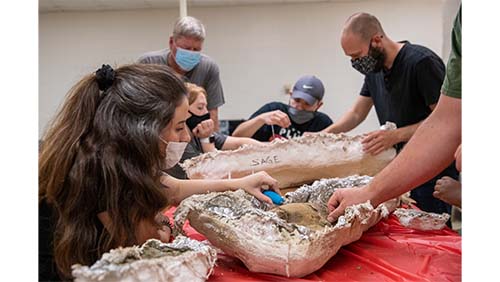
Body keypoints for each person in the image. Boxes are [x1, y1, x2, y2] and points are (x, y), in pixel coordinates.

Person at [39, 64, 278, 280]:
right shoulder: (100, 169)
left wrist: (242, 183)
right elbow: (153, 241)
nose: (186, 137)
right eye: (179, 127)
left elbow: (173, 188)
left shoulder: (116, 153)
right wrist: (160, 226)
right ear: (142, 131)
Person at [327, 6, 461, 222]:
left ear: (377, 40)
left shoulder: (421, 62)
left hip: (431, 172)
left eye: (357, 56)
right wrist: (323, 134)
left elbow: (444, 119)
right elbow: (356, 113)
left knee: (428, 230)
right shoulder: (375, 70)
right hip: (399, 167)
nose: (356, 63)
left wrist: (395, 135)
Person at [138, 16, 224, 131]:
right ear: (171, 42)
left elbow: (212, 116)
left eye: (196, 49)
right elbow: (137, 111)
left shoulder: (208, 68)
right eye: (186, 48)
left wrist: (211, 141)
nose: (191, 53)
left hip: (195, 136)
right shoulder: (148, 64)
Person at [167, 83, 263, 179]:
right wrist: (206, 139)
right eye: (200, 107)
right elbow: (213, 172)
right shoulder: (179, 142)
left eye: (206, 107)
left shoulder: (199, 131)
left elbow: (240, 142)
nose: (206, 112)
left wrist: (270, 149)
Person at [232, 75, 333, 141]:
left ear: (319, 105)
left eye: (307, 104)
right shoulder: (273, 110)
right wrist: (261, 119)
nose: (300, 107)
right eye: (296, 100)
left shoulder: (324, 123)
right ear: (290, 95)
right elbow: (236, 137)